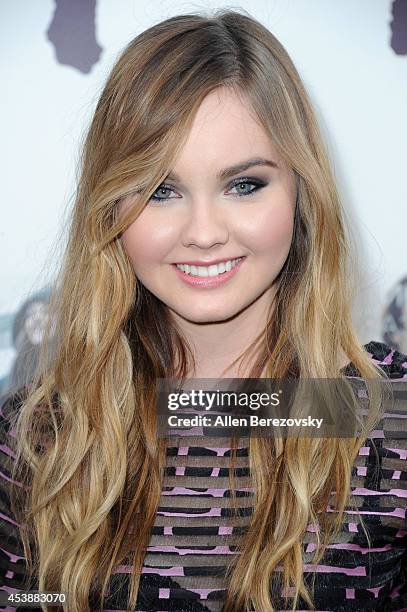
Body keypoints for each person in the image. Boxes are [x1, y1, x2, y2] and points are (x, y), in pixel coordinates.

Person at [1, 8, 406, 612]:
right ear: (109, 208)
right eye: (161, 191)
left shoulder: (385, 418)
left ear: (301, 192)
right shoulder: (41, 439)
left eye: (244, 184)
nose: (204, 232)